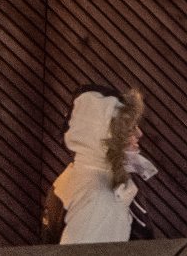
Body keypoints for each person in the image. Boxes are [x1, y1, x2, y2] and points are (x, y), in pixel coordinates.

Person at [44, 86, 156, 244]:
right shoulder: (101, 200)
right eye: (129, 128)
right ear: (104, 135)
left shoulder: (78, 176)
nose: (139, 134)